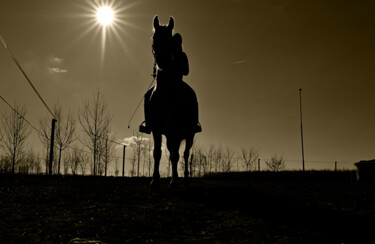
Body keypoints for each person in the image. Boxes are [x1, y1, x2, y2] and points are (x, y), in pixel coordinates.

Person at [140, 33, 201, 134]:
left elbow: (186, 71)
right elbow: (157, 67)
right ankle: (148, 124)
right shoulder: (167, 55)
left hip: (178, 82)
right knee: (147, 95)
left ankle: (194, 124)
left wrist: (176, 68)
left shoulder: (182, 55)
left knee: (192, 94)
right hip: (165, 81)